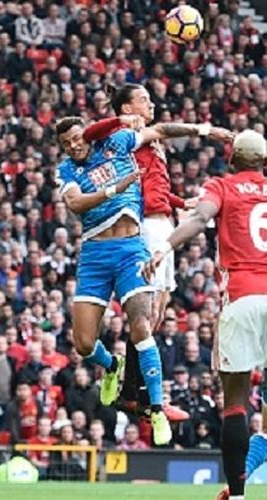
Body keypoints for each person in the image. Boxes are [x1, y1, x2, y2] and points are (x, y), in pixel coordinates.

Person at [55, 116, 231, 446]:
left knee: (141, 325)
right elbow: (75, 203)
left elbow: (161, 130)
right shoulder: (66, 170)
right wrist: (114, 189)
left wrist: (206, 130)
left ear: (88, 135)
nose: (74, 145)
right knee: (82, 343)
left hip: (130, 249)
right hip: (94, 256)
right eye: (66, 143)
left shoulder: (117, 144)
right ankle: (111, 365)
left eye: (77, 138)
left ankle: (156, 408)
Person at [145, 129, 264, 500]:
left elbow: (199, 220)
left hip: (242, 298)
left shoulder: (222, 186)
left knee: (235, 403)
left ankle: (239, 495)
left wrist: (165, 246)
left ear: (232, 159)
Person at [82, 83, 200, 424]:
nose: (151, 103)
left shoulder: (151, 140)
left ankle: (133, 393)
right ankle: (143, 399)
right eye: (143, 99)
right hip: (144, 226)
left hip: (164, 223)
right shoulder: (124, 135)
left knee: (158, 313)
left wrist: (181, 202)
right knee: (144, 316)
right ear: (126, 108)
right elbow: (93, 134)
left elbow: (155, 185)